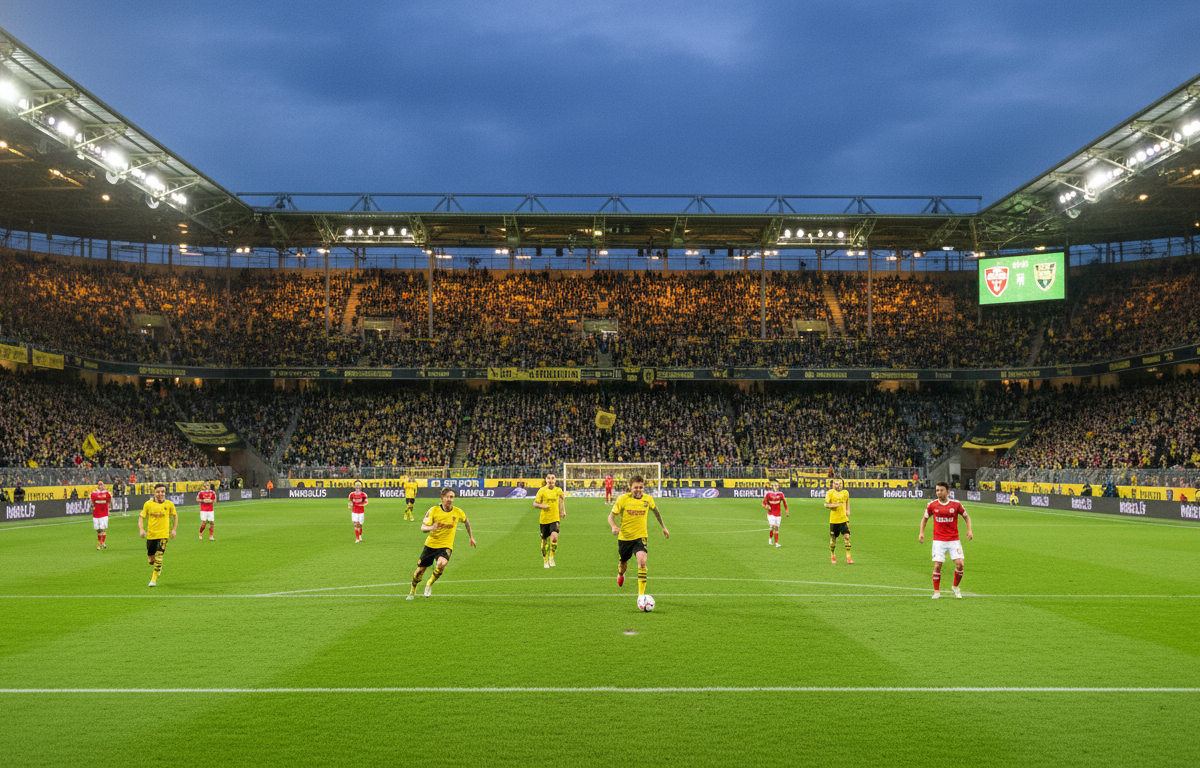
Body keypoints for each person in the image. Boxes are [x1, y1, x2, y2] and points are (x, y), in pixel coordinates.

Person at [608, 474, 669, 598]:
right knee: (623, 565)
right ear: (630, 487)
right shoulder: (623, 499)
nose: (638, 490)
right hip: (625, 538)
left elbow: (656, 512)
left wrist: (663, 527)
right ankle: (620, 574)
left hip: (640, 537)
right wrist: (613, 526)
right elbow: (611, 516)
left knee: (642, 562)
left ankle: (641, 596)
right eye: (636, 487)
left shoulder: (648, 499)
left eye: (641, 487)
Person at [408, 487, 476, 599]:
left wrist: (471, 537)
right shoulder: (433, 510)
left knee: (441, 564)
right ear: (442, 497)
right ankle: (412, 591)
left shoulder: (458, 512)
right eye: (447, 497)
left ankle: (429, 584)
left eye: (452, 497)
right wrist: (431, 527)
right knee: (420, 571)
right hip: (431, 545)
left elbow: (466, 521)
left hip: (446, 545)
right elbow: (423, 528)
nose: (450, 499)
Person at [919, 481, 973, 599]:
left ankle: (955, 587)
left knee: (960, 564)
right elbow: (925, 519)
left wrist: (969, 530)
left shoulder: (956, 505)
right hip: (938, 540)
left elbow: (966, 517)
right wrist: (921, 533)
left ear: (948, 492)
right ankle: (936, 592)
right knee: (938, 565)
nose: (939, 493)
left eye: (941, 490)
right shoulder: (932, 505)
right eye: (937, 490)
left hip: (954, 540)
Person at [138, 483, 177, 587]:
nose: (160, 494)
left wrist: (173, 529)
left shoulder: (169, 504)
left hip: (163, 535)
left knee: (159, 557)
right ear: (154, 493)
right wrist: (141, 529)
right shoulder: (148, 504)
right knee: (151, 560)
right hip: (151, 535)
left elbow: (174, 516)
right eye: (158, 492)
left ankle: (153, 580)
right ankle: (157, 567)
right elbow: (141, 517)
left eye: (162, 492)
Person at [533, 471, 566, 568]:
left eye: (553, 478)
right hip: (544, 519)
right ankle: (545, 561)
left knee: (555, 537)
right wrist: (543, 506)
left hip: (555, 518)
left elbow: (561, 501)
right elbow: (535, 503)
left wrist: (563, 511)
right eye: (549, 478)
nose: (551, 480)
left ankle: (552, 557)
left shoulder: (559, 490)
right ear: (546, 480)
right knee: (544, 541)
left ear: (555, 480)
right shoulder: (542, 491)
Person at [823, 478, 853, 564]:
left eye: (839, 484)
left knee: (847, 537)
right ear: (833, 485)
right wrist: (834, 505)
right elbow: (826, 504)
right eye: (836, 484)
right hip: (834, 520)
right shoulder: (830, 493)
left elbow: (847, 501)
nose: (838, 485)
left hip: (843, 518)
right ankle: (832, 554)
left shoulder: (845, 493)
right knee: (833, 539)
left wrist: (848, 510)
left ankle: (848, 557)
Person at [763, 480, 789, 547]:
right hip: (771, 514)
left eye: (776, 486)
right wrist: (767, 508)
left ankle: (773, 540)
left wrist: (786, 510)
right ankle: (775, 543)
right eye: (774, 486)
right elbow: (763, 504)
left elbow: (784, 502)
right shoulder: (768, 494)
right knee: (774, 526)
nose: (775, 487)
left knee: (776, 528)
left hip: (778, 514)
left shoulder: (780, 494)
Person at [89, 480, 113, 550]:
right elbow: (91, 502)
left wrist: (110, 507)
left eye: (101, 485)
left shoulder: (107, 493)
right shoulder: (93, 493)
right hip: (96, 514)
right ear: (97, 486)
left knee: (102, 529)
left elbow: (110, 500)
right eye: (99, 485)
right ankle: (102, 542)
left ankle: (100, 544)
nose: (100, 486)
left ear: (103, 485)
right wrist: (91, 506)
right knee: (98, 529)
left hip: (104, 514)